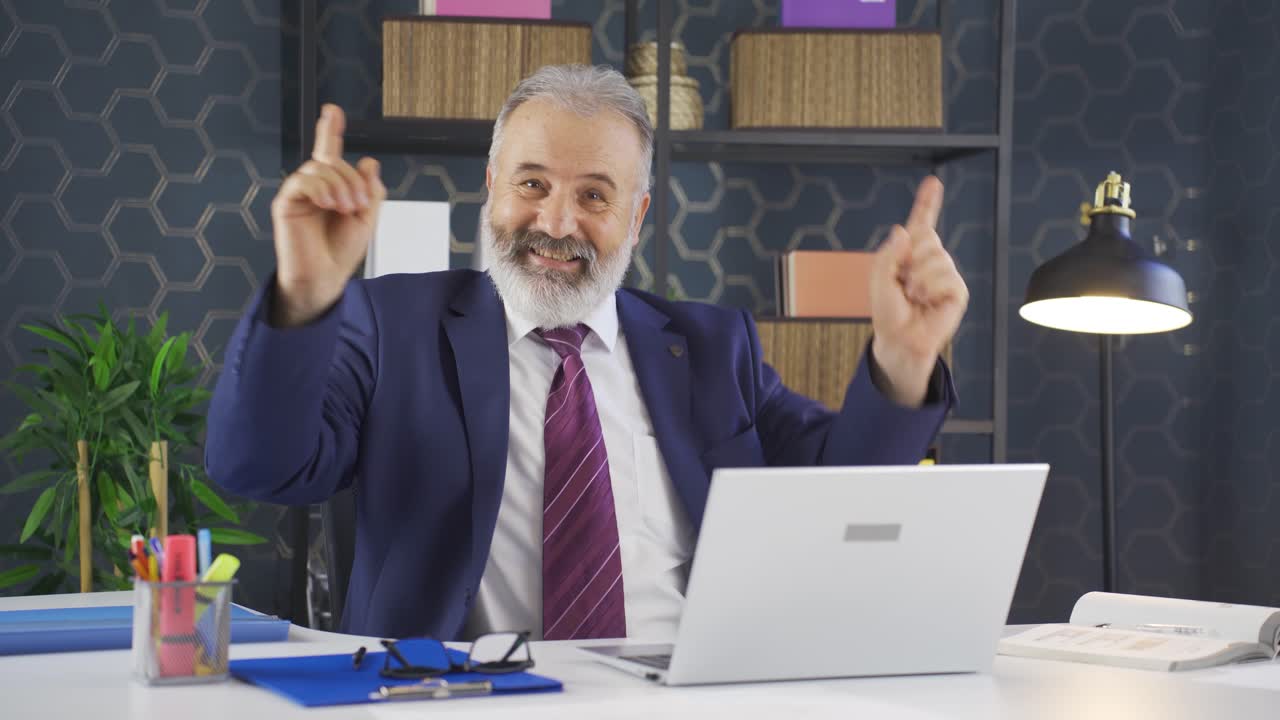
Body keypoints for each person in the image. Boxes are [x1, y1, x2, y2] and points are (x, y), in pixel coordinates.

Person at [206, 65, 968, 641]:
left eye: (596, 195)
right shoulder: (391, 323)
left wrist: (903, 364)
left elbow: (836, 501)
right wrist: (303, 295)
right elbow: (259, 466)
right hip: (465, 700)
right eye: (532, 184)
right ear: (491, 188)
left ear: (637, 215)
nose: (557, 222)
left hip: (687, 693)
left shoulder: (710, 347)